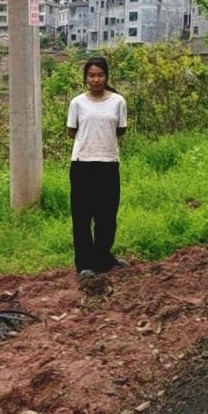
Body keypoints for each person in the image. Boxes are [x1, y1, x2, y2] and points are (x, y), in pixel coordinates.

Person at [66, 56, 128, 280]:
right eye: (91, 75)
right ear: (85, 78)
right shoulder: (77, 103)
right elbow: (71, 131)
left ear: (106, 76)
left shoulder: (118, 101)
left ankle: (103, 258)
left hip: (108, 164)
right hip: (82, 164)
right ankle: (84, 264)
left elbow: (120, 130)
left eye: (100, 75)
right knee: (82, 216)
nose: (96, 79)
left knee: (107, 216)